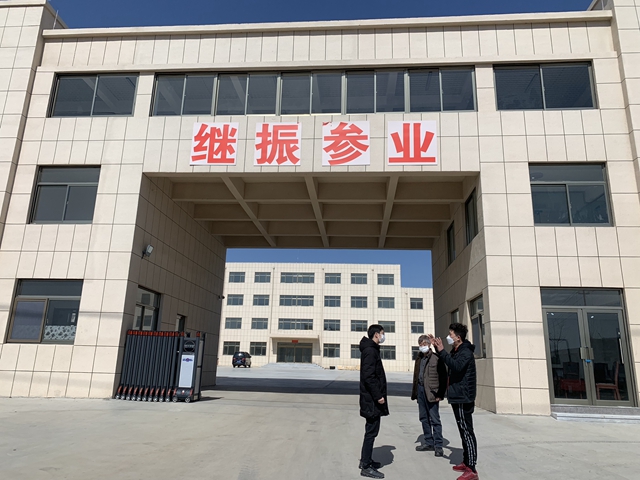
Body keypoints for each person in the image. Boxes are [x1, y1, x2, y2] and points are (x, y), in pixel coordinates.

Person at [430, 323, 479, 480]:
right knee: (462, 431)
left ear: (458, 337)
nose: (449, 337)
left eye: (451, 334)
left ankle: (472, 469)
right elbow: (448, 361)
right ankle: (466, 461)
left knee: (467, 432)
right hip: (457, 396)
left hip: (463, 397)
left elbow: (456, 366)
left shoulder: (465, 352)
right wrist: (438, 348)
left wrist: (442, 350)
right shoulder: (457, 350)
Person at [358, 324, 389, 479]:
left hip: (371, 399)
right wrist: (378, 396)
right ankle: (366, 466)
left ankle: (366, 459)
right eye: (382, 333)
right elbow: (369, 376)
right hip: (371, 400)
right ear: (376, 334)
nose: (383, 336)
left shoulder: (372, 349)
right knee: (371, 432)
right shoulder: (370, 351)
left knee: (371, 431)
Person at [411, 334, 447, 457]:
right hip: (421, 390)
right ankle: (428, 442)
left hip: (432, 392)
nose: (422, 346)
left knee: (435, 419)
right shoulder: (419, 358)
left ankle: (438, 446)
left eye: (424, 344)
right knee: (424, 418)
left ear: (429, 344)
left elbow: (443, 376)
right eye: (420, 344)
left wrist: (440, 394)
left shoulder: (436, 358)